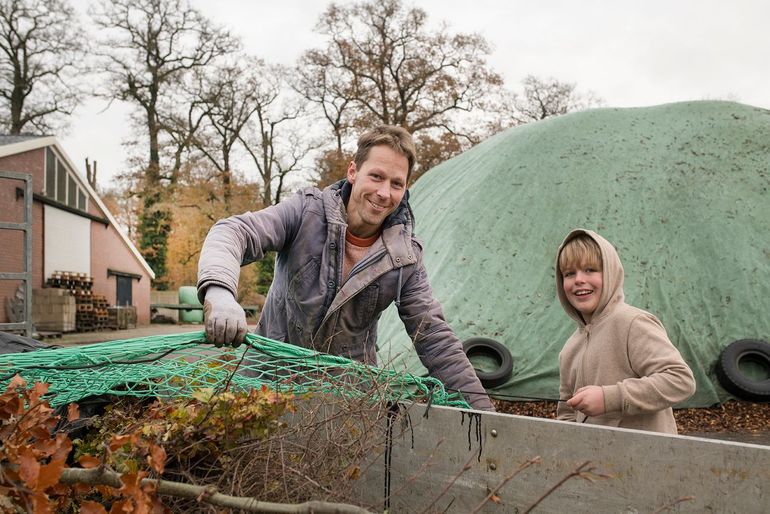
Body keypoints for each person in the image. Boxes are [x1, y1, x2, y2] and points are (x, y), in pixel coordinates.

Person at [197, 125, 494, 411]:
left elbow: (434, 337)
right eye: (376, 176)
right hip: (268, 386)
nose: (383, 193)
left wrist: (484, 414)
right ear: (353, 171)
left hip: (346, 405)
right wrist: (219, 293)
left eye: (396, 184)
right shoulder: (305, 213)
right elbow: (233, 232)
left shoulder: (405, 258)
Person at [555, 229, 695, 433]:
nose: (579, 279)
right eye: (569, 274)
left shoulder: (633, 323)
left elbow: (679, 379)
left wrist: (609, 398)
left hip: (646, 459)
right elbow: (567, 413)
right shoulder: (569, 348)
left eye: (590, 270)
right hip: (593, 463)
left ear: (612, 274)